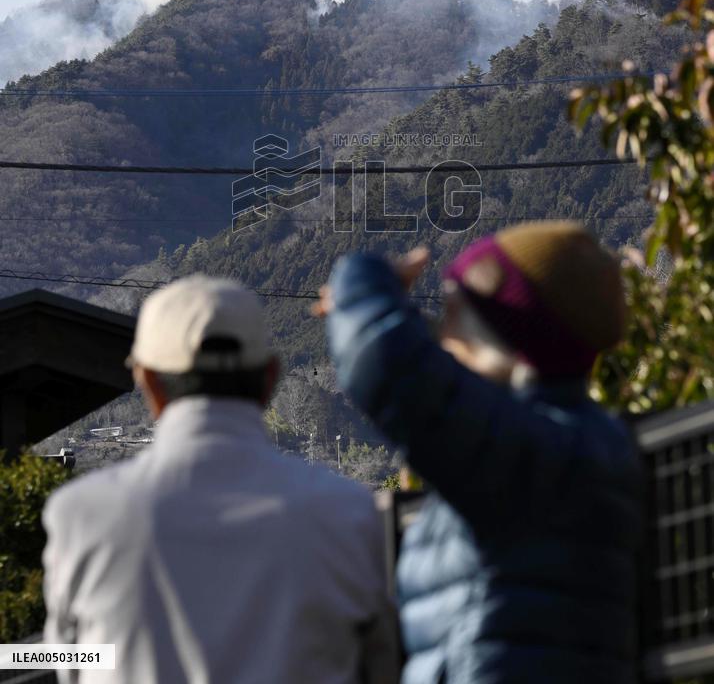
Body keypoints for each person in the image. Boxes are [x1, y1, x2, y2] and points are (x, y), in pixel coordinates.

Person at [318, 222, 643, 684]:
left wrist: (363, 280)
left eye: (454, 313)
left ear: (512, 341)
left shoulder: (528, 449)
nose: (444, 335)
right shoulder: (573, 442)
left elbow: (387, 361)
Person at [42, 274, 399, 684]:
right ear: (270, 379)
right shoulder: (347, 512)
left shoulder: (80, 515)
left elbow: (69, 663)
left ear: (148, 382)